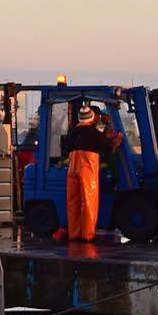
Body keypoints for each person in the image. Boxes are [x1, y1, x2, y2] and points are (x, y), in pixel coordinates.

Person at [54, 103, 113, 242]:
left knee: (73, 202)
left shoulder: (72, 133)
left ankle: (74, 234)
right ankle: (87, 235)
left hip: (72, 169)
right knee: (88, 202)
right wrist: (113, 141)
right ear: (92, 118)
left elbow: (65, 151)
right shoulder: (94, 134)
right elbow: (107, 147)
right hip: (87, 170)